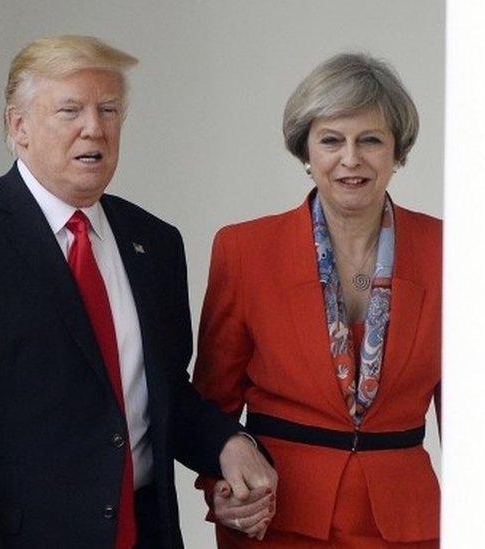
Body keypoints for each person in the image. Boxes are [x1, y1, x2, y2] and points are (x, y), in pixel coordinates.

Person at [0, 35, 277, 548]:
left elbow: (165, 393)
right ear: (18, 126)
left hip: (144, 533)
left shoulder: (154, 241)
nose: (95, 127)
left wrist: (229, 443)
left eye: (108, 109)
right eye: (70, 110)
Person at [192, 52, 441, 547]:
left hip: (406, 523)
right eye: (331, 141)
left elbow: (476, 415)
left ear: (398, 151)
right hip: (276, 517)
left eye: (370, 140)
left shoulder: (448, 250)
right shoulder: (244, 250)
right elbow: (211, 403)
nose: (351, 159)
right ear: (306, 152)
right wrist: (219, 489)